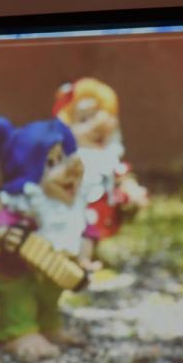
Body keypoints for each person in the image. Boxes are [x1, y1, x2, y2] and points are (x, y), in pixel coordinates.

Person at [0, 116, 95, 362]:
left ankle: (48, 326)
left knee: (49, 301)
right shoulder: (26, 208)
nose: (70, 171)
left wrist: (84, 260)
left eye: (66, 157)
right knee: (19, 300)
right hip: (18, 272)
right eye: (53, 162)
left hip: (54, 272)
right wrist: (6, 236)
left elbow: (87, 234)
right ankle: (19, 332)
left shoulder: (74, 211)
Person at [53, 77, 149, 243]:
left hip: (105, 215)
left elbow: (122, 177)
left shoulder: (109, 159)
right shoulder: (72, 162)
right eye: (84, 119)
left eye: (99, 114)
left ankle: (97, 242)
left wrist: (131, 189)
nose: (95, 127)